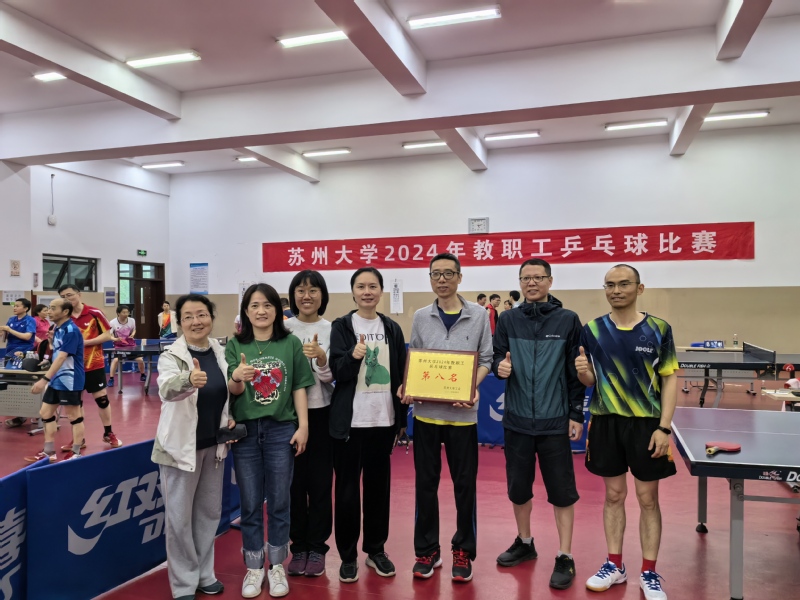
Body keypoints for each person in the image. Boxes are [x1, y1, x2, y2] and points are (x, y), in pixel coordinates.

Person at [576, 264, 677, 600]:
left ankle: (649, 572)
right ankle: (615, 565)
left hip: (646, 424)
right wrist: (583, 372)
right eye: (609, 285)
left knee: (648, 499)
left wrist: (664, 427)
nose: (616, 290)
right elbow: (590, 381)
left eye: (623, 284)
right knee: (613, 496)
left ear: (639, 288)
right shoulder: (592, 329)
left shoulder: (659, 329)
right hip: (606, 422)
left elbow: (669, 379)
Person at [492, 259, 584, 590]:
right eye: (526, 278)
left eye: (538, 277)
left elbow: (576, 370)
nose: (531, 283)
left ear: (549, 281)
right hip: (516, 421)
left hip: (554, 421)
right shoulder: (508, 319)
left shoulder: (568, 319)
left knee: (562, 492)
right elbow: (497, 357)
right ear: (520, 282)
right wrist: (499, 368)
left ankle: (565, 555)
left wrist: (576, 414)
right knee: (518, 488)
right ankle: (525, 542)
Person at [401, 253, 493, 583]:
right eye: (436, 274)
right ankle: (427, 551)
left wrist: (472, 386)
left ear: (459, 277)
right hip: (426, 416)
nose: (442, 279)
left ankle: (463, 550)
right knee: (425, 486)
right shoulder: (421, 316)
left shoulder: (479, 315)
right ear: (430, 278)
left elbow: (486, 359)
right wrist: (409, 385)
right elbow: (416, 359)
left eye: (448, 273)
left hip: (463, 417)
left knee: (464, 487)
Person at [226, 283, 314, 598]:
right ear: (246, 312)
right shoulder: (235, 344)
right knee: (250, 503)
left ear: (277, 310)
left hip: (280, 430)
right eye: (254, 305)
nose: (261, 311)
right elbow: (233, 390)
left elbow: (299, 386)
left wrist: (303, 426)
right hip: (246, 432)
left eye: (267, 305)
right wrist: (238, 376)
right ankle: (253, 567)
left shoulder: (290, 343)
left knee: (279, 501)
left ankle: (276, 566)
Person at [152, 294, 234, 600]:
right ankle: (184, 584)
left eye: (201, 314)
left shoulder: (221, 351)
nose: (196, 321)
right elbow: (166, 389)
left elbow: (227, 394)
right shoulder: (171, 356)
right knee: (179, 519)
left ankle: (204, 574)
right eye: (188, 317)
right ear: (179, 322)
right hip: (179, 450)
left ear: (211, 317)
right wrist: (188, 379)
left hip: (214, 447)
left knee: (209, 514)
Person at [328, 267, 407, 584]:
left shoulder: (391, 328)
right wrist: (353, 355)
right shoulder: (342, 326)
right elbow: (337, 371)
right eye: (361, 286)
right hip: (350, 424)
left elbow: (400, 374)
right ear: (353, 292)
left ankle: (376, 550)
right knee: (347, 493)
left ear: (381, 291)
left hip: (383, 422)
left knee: (378, 491)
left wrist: (401, 420)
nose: (367, 292)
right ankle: (348, 557)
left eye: (373, 286)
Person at [285, 270, 334, 578]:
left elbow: (334, 378)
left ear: (322, 295)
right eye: (301, 290)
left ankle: (317, 547)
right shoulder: (283, 328)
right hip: (287, 418)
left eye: (313, 290)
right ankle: (298, 546)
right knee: (292, 485)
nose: (307, 296)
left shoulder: (333, 329)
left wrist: (321, 359)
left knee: (319, 484)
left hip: (321, 414)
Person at [58, 284, 122, 450]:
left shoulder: (95, 313)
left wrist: (84, 343)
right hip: (72, 367)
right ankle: (79, 439)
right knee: (76, 403)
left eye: (69, 295)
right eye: (63, 297)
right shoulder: (62, 317)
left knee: (102, 399)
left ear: (79, 294)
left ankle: (108, 433)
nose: (67, 299)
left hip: (94, 364)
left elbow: (107, 335)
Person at [24, 299, 85, 462]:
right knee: (45, 413)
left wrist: (44, 379)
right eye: (49, 308)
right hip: (57, 377)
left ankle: (76, 452)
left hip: (70, 378)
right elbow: (57, 352)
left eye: (53, 308)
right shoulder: (57, 328)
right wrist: (51, 344)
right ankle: (49, 452)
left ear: (65, 312)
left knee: (74, 416)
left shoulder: (71, 330)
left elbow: (63, 357)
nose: (49, 312)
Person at [2, 298, 38, 428]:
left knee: (20, 383)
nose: (14, 307)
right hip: (9, 353)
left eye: (17, 306)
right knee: (8, 382)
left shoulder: (30, 320)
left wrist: (9, 330)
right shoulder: (11, 320)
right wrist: (3, 332)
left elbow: (27, 337)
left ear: (26, 308)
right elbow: (5, 338)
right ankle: (11, 411)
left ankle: (22, 415)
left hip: (23, 353)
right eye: (14, 305)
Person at [108, 305, 147, 387]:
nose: (126, 314)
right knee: (115, 360)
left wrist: (132, 334)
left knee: (140, 360)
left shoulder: (132, 320)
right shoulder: (112, 322)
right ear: (118, 313)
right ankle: (111, 379)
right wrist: (116, 339)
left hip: (130, 345)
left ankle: (143, 375)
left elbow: (134, 330)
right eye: (123, 312)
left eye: (127, 312)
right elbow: (110, 336)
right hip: (119, 345)